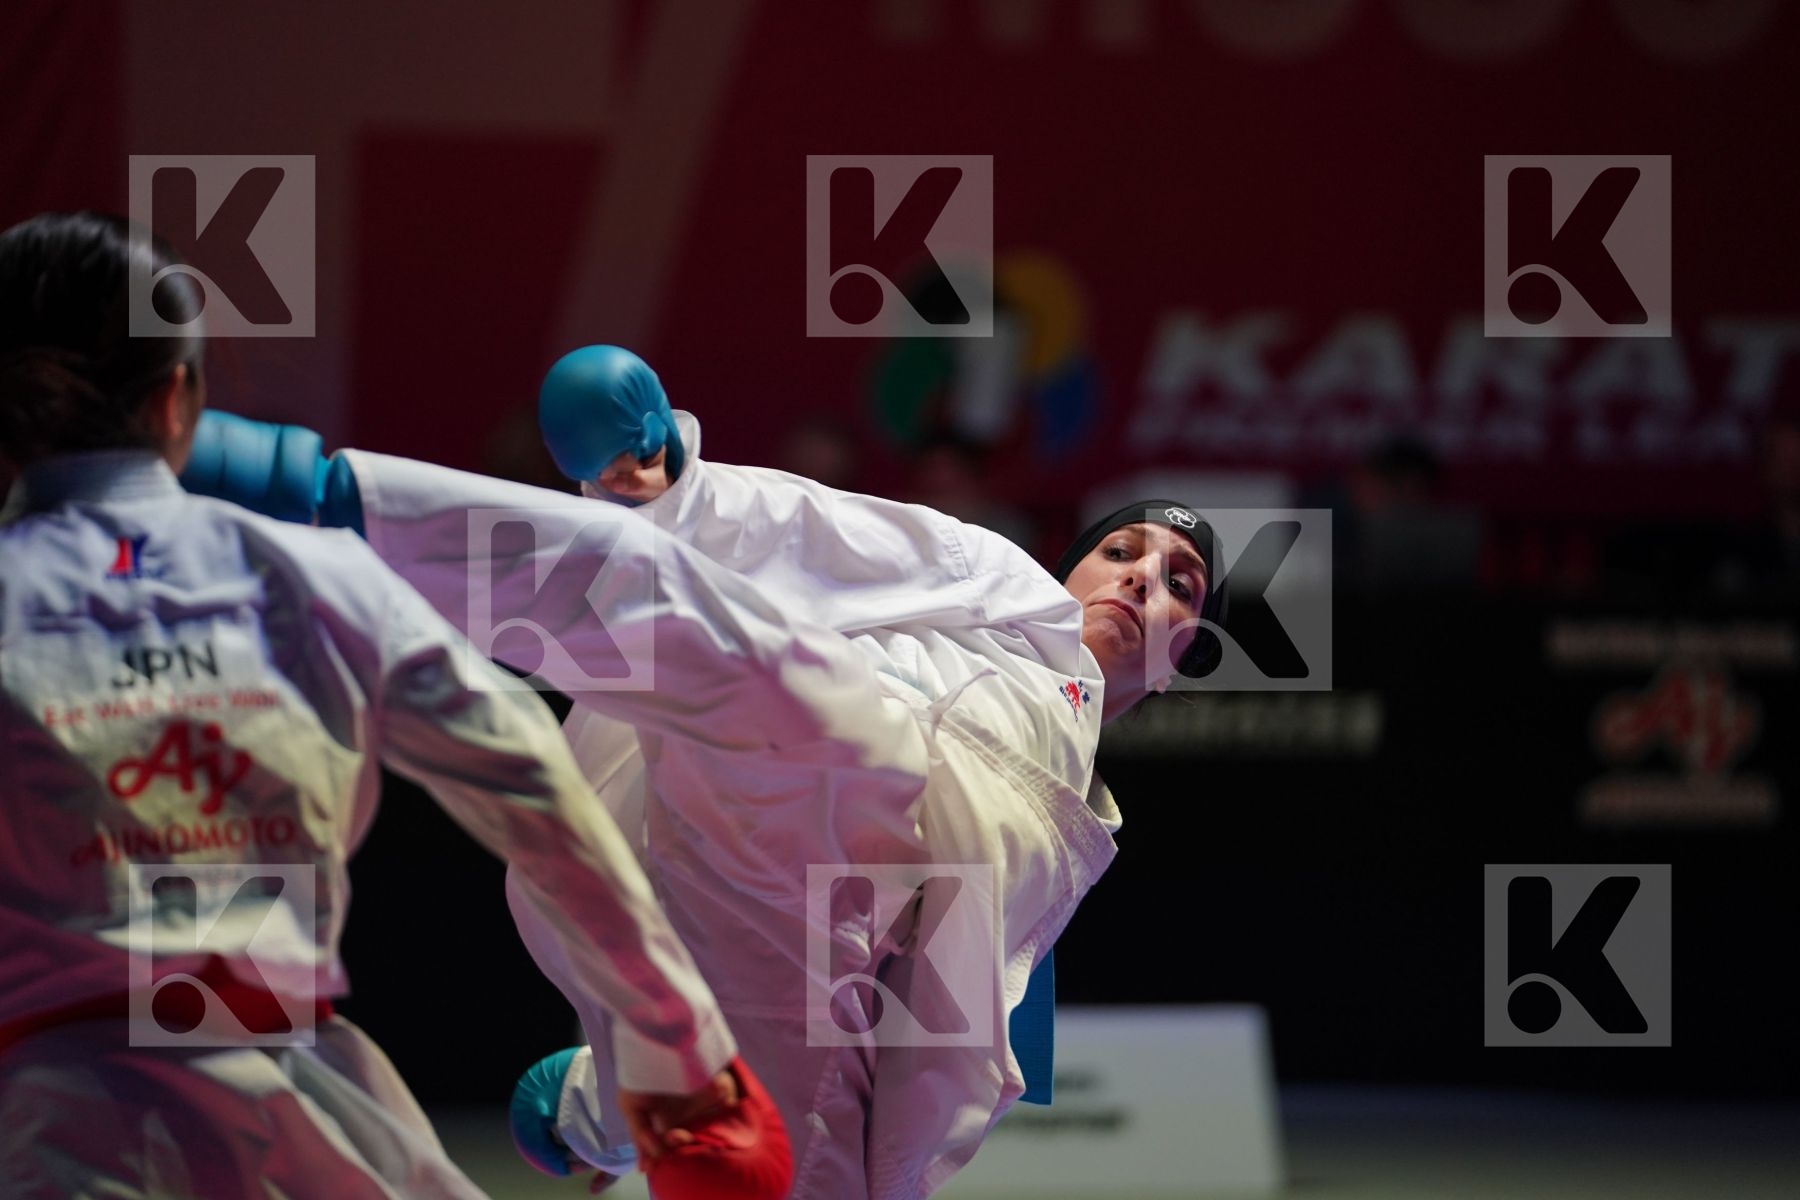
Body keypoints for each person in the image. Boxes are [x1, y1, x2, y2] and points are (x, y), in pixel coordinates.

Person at [188, 346, 1226, 1198]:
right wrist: (683, 487)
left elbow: (947, 1056)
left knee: (797, 1155)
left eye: (1179, 585)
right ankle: (313, 498)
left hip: (802, 919)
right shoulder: (1007, 591)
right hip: (812, 747)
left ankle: (597, 1109)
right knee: (691, 621)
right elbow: (826, 536)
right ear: (1066, 569)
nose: (1144, 579)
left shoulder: (1078, 835)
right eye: (1123, 553)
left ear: (1183, 663)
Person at [0, 216, 789, 1200]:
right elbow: (539, 801)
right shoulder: (316, 575)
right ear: (178, 400)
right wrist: (683, 1059)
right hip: (309, 1118)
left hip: (47, 1128)